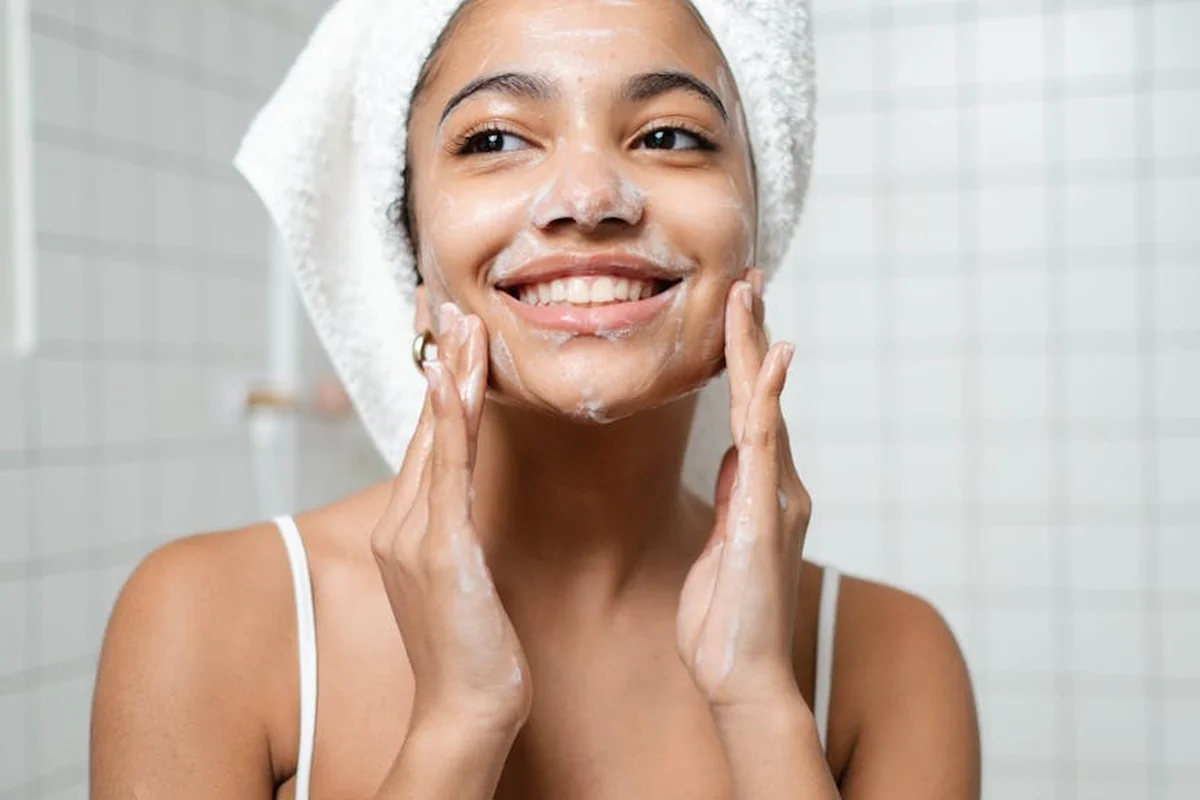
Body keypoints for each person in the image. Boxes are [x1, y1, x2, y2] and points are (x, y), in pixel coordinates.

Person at [90, 0, 981, 797]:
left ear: (758, 227)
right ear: (413, 261)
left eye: (669, 135)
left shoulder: (891, 662)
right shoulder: (207, 622)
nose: (589, 197)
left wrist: (758, 704)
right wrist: (457, 728)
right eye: (494, 138)